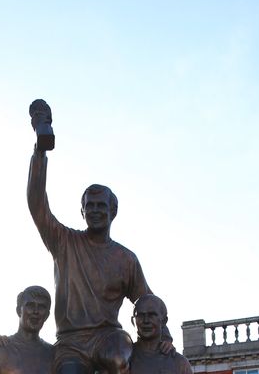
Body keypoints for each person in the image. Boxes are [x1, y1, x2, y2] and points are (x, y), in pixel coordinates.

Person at [26, 104, 172, 374]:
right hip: (71, 342)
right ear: (82, 211)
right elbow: (37, 205)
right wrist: (40, 151)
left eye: (100, 206)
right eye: (89, 206)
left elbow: (146, 299)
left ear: (112, 211)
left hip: (110, 337)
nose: (95, 211)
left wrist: (166, 337)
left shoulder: (125, 258)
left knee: (118, 360)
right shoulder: (64, 242)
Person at [0, 285, 54, 374]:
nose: (36, 311)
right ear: (19, 310)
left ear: (47, 315)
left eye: (42, 307)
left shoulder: (53, 354)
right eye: (30, 305)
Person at [129, 295, 192, 374]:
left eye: (152, 315)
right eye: (140, 315)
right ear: (133, 321)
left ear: (164, 321)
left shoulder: (179, 363)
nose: (146, 320)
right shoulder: (124, 358)